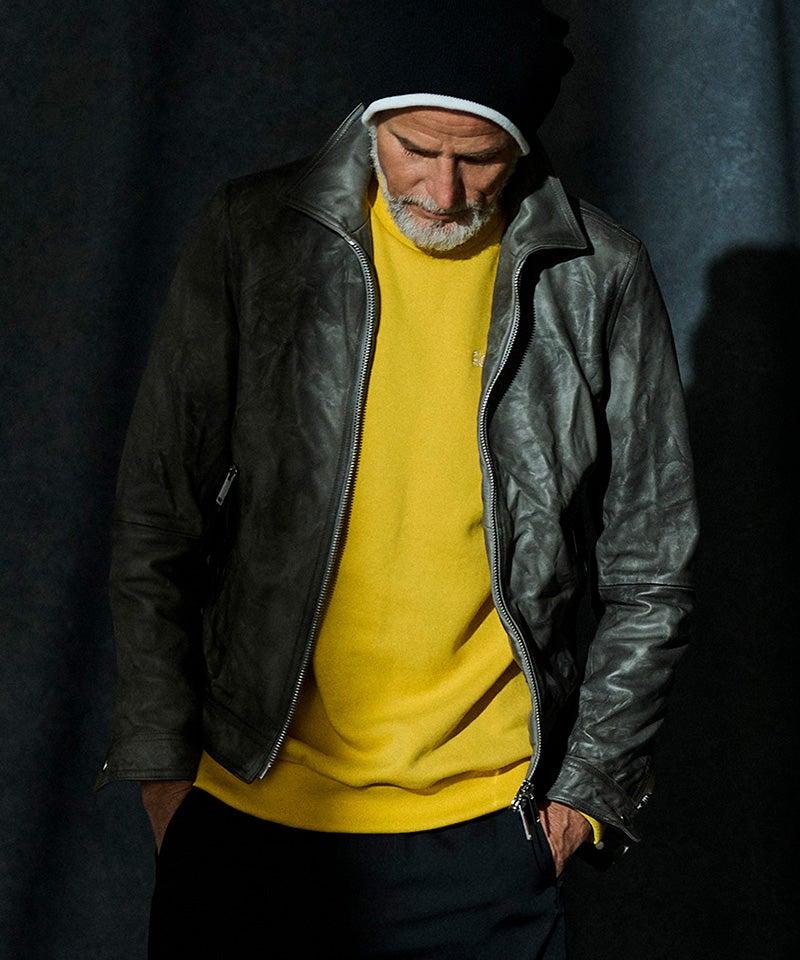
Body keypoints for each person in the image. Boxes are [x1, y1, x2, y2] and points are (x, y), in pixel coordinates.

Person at [97, 4, 698, 957]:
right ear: (371, 119)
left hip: (487, 833)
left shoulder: (598, 273)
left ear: (522, 146)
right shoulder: (254, 234)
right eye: (415, 148)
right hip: (248, 805)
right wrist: (164, 771)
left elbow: (653, 564)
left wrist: (586, 795)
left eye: (479, 159)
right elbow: (156, 516)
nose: (442, 189)